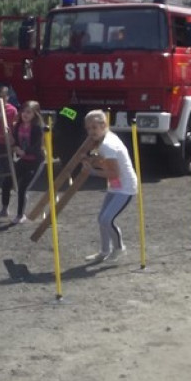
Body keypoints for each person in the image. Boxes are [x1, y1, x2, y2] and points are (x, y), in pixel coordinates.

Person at [81, 109, 137, 265]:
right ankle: (104, 251)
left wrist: (92, 171)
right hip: (115, 186)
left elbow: (113, 172)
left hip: (126, 187)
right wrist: (90, 159)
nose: (91, 131)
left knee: (107, 219)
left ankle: (119, 248)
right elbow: (105, 163)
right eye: (88, 128)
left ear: (103, 125)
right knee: (101, 219)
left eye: (94, 127)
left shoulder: (108, 144)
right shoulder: (105, 138)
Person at [0, 101, 44, 224]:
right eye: (24, 111)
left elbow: (36, 146)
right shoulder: (18, 126)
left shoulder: (37, 129)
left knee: (23, 187)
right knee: (7, 182)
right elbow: (15, 143)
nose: (25, 114)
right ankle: (4, 209)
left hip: (35, 161)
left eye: (29, 112)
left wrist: (24, 151)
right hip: (23, 159)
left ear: (35, 114)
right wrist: (12, 141)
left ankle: (20, 215)